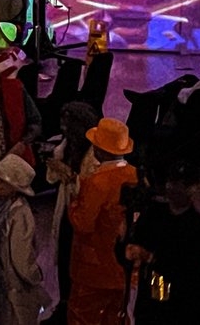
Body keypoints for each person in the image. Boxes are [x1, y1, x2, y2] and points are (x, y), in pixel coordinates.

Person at [67, 117, 138, 325]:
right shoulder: (135, 175)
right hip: (123, 268)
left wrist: (73, 201)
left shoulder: (97, 182)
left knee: (82, 318)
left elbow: (83, 224)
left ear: (100, 150)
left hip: (93, 271)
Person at [126, 163, 200, 325]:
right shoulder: (153, 213)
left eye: (182, 184)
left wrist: (151, 258)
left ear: (193, 188)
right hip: (148, 294)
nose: (173, 188)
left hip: (178, 302)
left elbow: (188, 269)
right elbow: (135, 240)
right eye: (172, 182)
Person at [44, 100, 101, 320]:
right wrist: (56, 166)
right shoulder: (66, 145)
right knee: (64, 257)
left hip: (84, 218)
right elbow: (53, 178)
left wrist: (68, 174)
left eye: (67, 124)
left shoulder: (95, 154)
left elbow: (91, 190)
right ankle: (64, 303)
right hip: (67, 211)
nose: (62, 128)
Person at [0, 154, 48, 325]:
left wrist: (35, 277)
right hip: (4, 291)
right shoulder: (4, 207)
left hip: (15, 294)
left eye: (1, 180)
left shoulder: (20, 214)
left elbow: (22, 259)